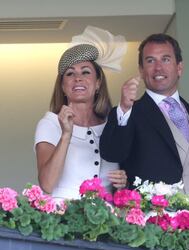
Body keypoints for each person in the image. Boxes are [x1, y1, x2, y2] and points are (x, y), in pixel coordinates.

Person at [100, 33, 189, 201]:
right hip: (153, 221)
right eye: (150, 61)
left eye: (165, 59)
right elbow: (112, 153)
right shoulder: (129, 114)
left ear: (179, 68)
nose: (158, 68)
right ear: (141, 70)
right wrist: (124, 108)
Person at [34, 26, 129, 200]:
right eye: (70, 74)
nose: (78, 78)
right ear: (63, 86)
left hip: (106, 220)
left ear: (98, 82)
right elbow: (46, 184)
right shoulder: (50, 123)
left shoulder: (112, 123)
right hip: (63, 218)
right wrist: (66, 135)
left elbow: (122, 183)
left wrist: (123, 181)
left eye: (86, 72)